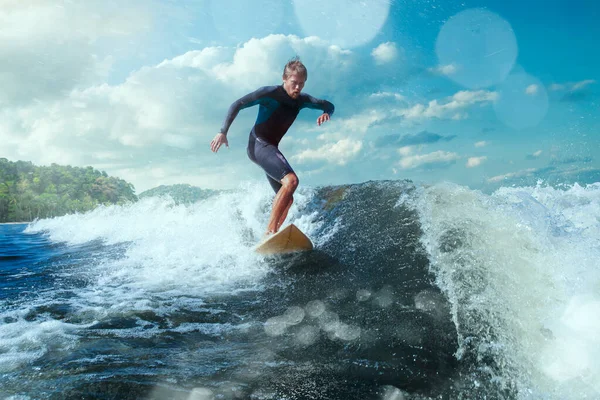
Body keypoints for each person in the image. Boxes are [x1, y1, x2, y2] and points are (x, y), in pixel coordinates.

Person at [210, 57, 334, 236]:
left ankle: (272, 236)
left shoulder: (301, 100)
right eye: (294, 83)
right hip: (258, 144)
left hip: (270, 148)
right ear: (284, 78)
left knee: (288, 198)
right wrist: (223, 131)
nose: (298, 88)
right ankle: (270, 231)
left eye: (301, 84)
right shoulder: (269, 93)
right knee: (291, 181)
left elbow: (328, 105)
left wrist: (326, 113)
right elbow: (237, 104)